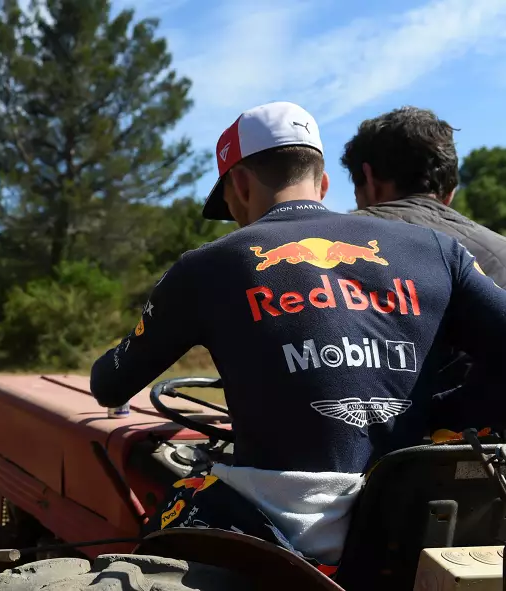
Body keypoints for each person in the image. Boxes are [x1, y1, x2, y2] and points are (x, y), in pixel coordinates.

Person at [89, 101, 506, 572]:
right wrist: (439, 411)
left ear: (240, 185)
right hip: (408, 523)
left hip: (279, 538)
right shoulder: (437, 250)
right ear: (323, 182)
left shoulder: (207, 266)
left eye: (228, 201)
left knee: (164, 517)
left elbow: (110, 384)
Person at [341, 106, 506, 437]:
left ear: (369, 179)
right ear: (450, 191)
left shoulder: (329, 246)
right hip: (490, 470)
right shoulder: (499, 251)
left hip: (369, 466)